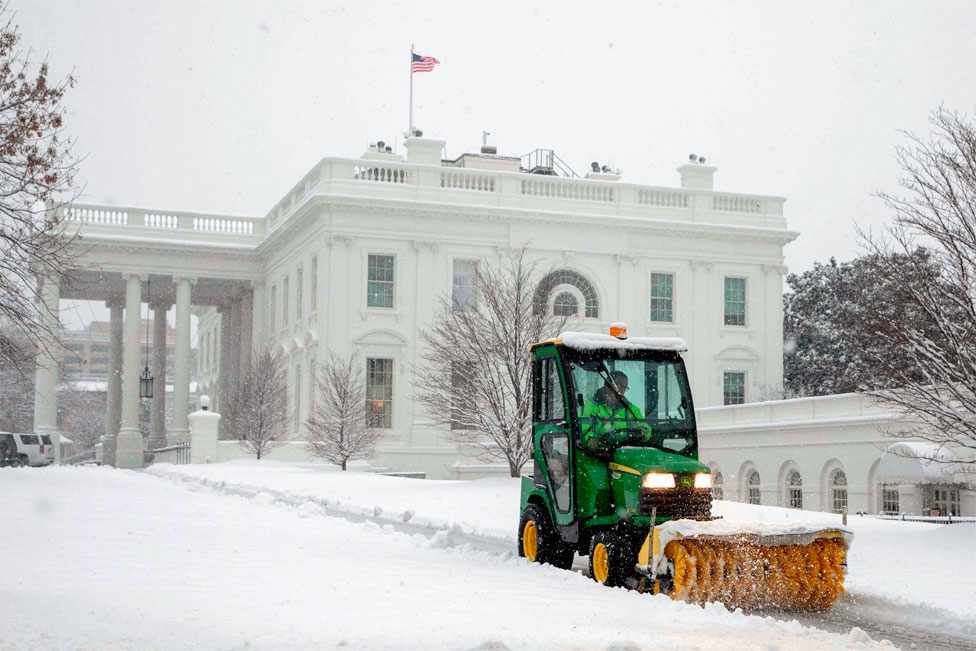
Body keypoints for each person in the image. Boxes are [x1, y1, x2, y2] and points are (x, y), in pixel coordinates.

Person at [581, 371, 652, 451]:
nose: (621, 389)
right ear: (608, 384)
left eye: (624, 387)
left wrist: (643, 430)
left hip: (624, 452)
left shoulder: (629, 408)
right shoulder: (592, 404)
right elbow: (583, 425)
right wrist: (590, 437)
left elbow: (643, 425)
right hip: (598, 452)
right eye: (618, 384)